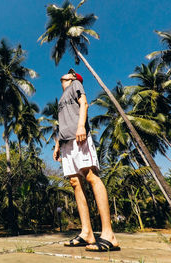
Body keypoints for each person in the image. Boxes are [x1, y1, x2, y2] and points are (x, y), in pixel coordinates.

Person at [53, 69, 120, 252]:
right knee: (75, 182)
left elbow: (84, 104)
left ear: (74, 77)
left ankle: (109, 235)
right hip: (66, 141)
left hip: (79, 136)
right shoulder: (61, 99)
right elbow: (62, 123)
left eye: (70, 73)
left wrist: (81, 126)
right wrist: (58, 145)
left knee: (91, 176)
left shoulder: (76, 84)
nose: (66, 74)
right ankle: (87, 233)